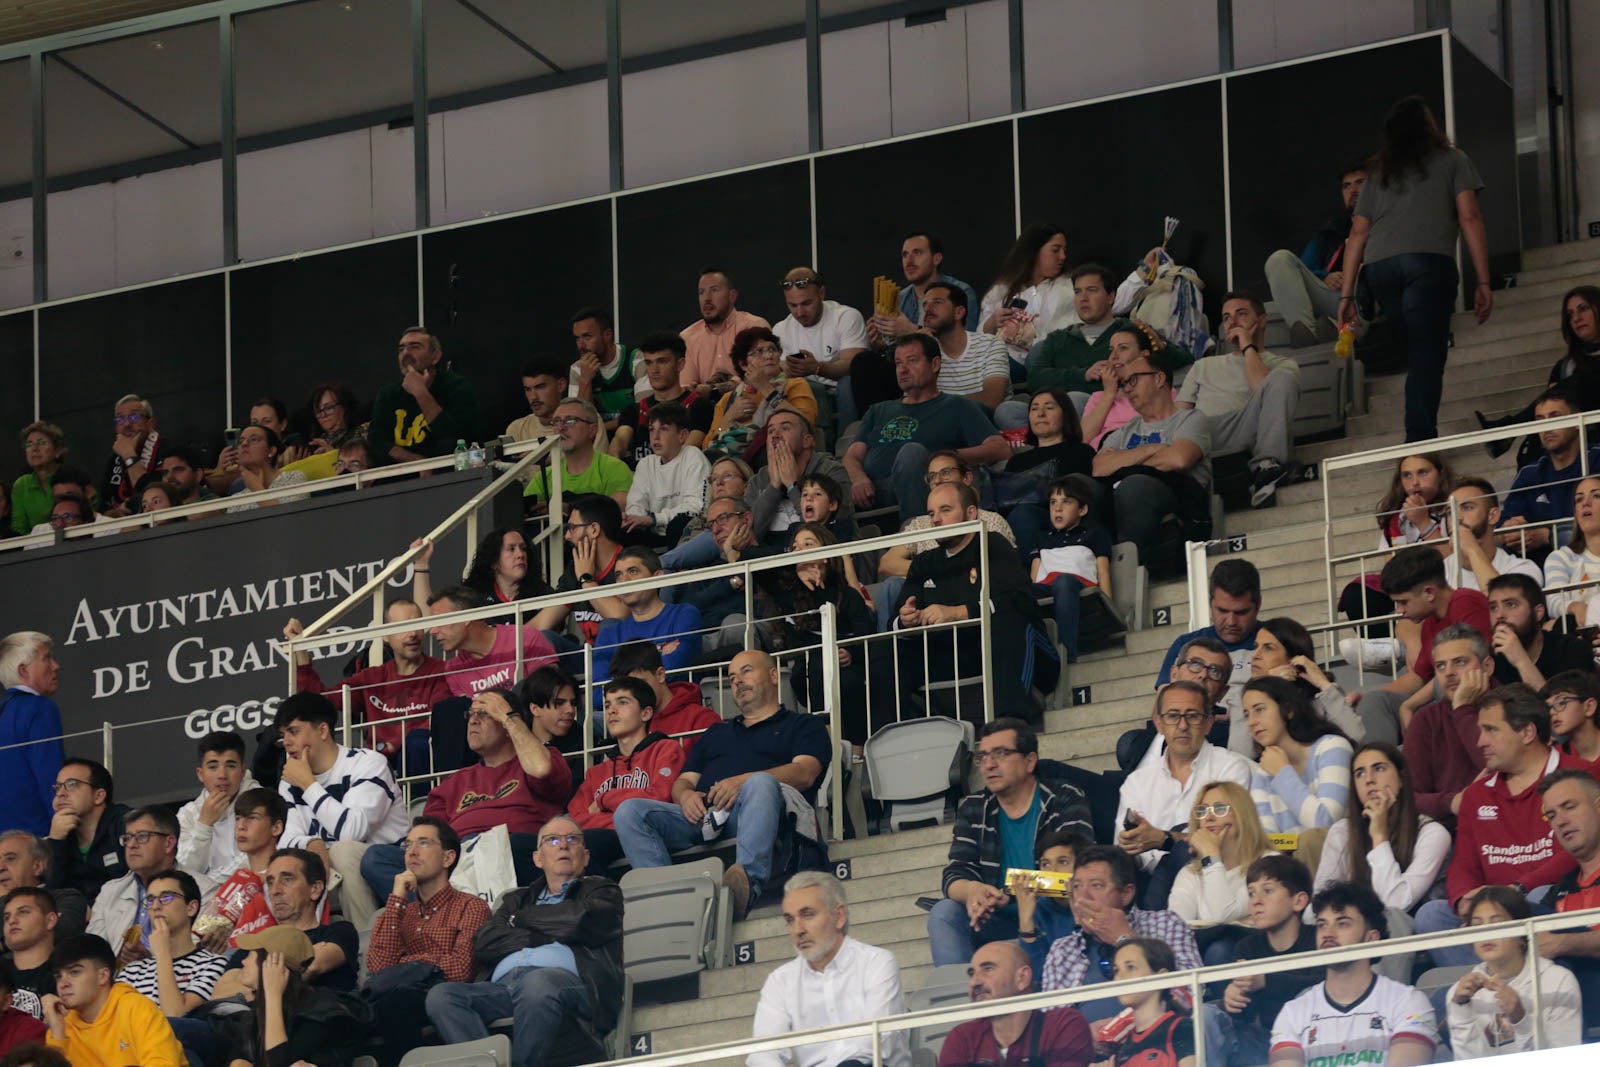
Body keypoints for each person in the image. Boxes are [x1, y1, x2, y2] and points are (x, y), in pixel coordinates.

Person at [613, 650, 830, 917]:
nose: (737, 680)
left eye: (746, 671)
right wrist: (685, 796)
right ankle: (666, 901)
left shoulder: (803, 724)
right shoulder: (717, 733)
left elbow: (805, 772)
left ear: (774, 676)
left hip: (755, 812)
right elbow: (683, 781)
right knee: (630, 811)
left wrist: (743, 782)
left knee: (760, 783)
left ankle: (744, 884)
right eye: (731, 676)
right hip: (703, 815)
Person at [1337, 95, 1493, 443]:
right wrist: (1483, 280)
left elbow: (1357, 233)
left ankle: (1417, 428)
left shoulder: (1379, 173)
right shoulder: (1453, 159)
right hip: (1427, 264)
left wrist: (1347, 294)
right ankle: (1419, 440)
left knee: (1418, 347)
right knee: (1426, 352)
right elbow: (1470, 217)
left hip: (1380, 270)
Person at [351, 687, 569, 931]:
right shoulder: (452, 784)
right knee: (376, 858)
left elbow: (541, 769)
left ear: (508, 722)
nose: (473, 720)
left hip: (515, 855)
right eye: (471, 714)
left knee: (508, 844)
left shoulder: (540, 759)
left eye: (486, 714)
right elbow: (428, 839)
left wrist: (509, 717)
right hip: (458, 863)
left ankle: (450, 919)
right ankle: (442, 920)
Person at [424, 817, 625, 1067]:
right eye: (552, 840)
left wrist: (519, 921)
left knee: (538, 982)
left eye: (572, 839)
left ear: (584, 857)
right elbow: (485, 942)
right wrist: (541, 935)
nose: (563, 845)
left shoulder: (603, 890)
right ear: (538, 858)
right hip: (504, 988)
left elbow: (581, 920)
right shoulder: (515, 899)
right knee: (442, 996)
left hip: (574, 985)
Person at [1415, 684, 1588, 966]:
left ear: (1527, 732)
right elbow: (1463, 864)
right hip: (1492, 916)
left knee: (1540, 896)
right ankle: (1488, 992)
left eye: (1491, 730)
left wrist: (1518, 889)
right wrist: (1464, 902)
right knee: (1431, 916)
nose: (1480, 741)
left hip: (1550, 903)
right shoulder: (1476, 794)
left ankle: (1529, 986)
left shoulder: (1582, 777)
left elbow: (1580, 850)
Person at [931, 718, 1093, 966]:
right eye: (982, 757)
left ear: (1029, 761)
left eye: (1001, 753)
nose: (989, 765)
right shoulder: (975, 808)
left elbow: (1080, 874)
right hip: (997, 922)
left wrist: (1010, 891)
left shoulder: (1063, 798)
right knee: (944, 913)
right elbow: (954, 875)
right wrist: (974, 890)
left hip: (1052, 916)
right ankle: (965, 1001)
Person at [892, 482, 1059, 712]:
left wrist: (958, 613)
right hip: (957, 655)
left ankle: (1009, 724)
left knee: (1007, 619)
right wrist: (905, 620)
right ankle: (887, 739)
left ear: (971, 513)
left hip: (1021, 651)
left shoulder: (993, 544)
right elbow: (897, 616)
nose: (936, 520)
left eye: (945, 510)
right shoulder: (924, 562)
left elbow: (1018, 600)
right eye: (931, 513)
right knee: (887, 650)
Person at [842, 334, 1009, 526]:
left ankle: (917, 534)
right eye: (898, 363)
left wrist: (944, 458)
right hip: (875, 492)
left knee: (912, 453)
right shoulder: (878, 410)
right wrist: (858, 478)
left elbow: (999, 448)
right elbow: (852, 456)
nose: (902, 370)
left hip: (931, 488)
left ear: (935, 364)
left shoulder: (957, 406)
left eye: (912, 361)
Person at [364, 816, 492, 1064]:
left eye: (423, 843)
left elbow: (460, 970)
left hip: (444, 998)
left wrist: (407, 963)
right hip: (395, 999)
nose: (411, 852)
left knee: (394, 1002)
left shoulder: (471, 907)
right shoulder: (395, 911)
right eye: (407, 845)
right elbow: (379, 970)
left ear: (448, 858)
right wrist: (398, 898)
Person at [748, 871, 910, 1067]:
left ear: (839, 916)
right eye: (790, 920)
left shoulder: (877, 962)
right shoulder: (780, 981)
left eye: (807, 915)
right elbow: (762, 1054)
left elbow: (875, 1045)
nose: (798, 930)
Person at [272, 693, 409, 920]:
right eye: (283, 735)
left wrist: (308, 783)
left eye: (294, 732)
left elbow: (351, 831)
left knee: (342, 851)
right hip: (330, 872)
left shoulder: (368, 763)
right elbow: (286, 840)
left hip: (388, 870)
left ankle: (365, 945)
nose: (286, 743)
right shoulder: (290, 781)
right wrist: (312, 843)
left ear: (323, 731)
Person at [1267, 882, 1437, 1067]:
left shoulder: (1408, 1002)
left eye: (1342, 924)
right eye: (1322, 925)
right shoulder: (1293, 1012)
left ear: (1371, 938)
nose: (1328, 934)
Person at [1115, 682, 1252, 908]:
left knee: (1179, 850)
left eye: (1193, 716)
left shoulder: (1230, 767)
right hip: (1148, 885)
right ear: (1159, 723)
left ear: (1208, 723)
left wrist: (1163, 839)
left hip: (1215, 878)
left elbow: (1227, 840)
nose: (1182, 725)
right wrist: (1132, 844)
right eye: (1172, 716)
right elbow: (1125, 855)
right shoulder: (1137, 782)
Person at [753, 523, 888, 751]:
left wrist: (850, 653)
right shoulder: (785, 590)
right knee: (818, 663)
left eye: (809, 544)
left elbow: (866, 634)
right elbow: (750, 556)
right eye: (795, 548)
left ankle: (856, 750)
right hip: (808, 672)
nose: (801, 550)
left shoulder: (847, 595)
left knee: (852, 678)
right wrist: (792, 566)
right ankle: (827, 743)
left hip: (847, 672)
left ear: (826, 554)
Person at [1040, 845, 1200, 1024]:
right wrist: (1083, 1037)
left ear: (1126, 894)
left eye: (1096, 885)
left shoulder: (1166, 924)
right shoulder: (1062, 950)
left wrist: (1124, 939)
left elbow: (1189, 996)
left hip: (1154, 1042)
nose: (1082, 897)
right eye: (1077, 886)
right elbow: (1052, 1026)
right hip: (1087, 1049)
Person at [285, 600, 450, 773]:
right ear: (385, 635)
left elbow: (437, 721)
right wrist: (301, 651)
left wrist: (393, 745)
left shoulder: (440, 671)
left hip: (423, 765)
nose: (413, 634)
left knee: (417, 744)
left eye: (417, 624)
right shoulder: (372, 678)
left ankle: (418, 801)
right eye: (403, 626)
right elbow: (319, 701)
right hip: (379, 767)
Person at [1091, 330, 1213, 560]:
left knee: (1135, 485)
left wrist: (1125, 461)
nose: (1127, 389)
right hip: (1125, 495)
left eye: (1133, 380)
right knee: (1081, 487)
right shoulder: (1126, 430)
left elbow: (1179, 459)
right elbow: (1099, 467)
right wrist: (1152, 449)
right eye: (1125, 383)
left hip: (1179, 500)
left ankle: (1130, 566)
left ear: (1158, 379)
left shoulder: (1190, 418)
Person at [1178, 292, 1302, 508]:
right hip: (1205, 432)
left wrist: (1247, 347)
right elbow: (1178, 416)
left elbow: (1260, 388)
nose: (1232, 322)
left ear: (1262, 320)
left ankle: (1267, 468)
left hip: (1247, 428)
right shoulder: (1203, 365)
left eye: (1241, 314)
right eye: (1226, 317)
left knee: (1283, 378)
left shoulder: (1282, 364)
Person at [1361, 544, 1492, 746]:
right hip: (1438, 706)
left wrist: (1409, 705)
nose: (1399, 611)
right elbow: (1418, 678)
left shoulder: (1465, 602)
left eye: (1403, 602)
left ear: (1429, 592)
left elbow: (1465, 669)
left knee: (1447, 679)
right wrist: (1365, 699)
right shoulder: (1430, 622)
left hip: (1477, 699)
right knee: (1374, 702)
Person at [872, 450, 1017, 628]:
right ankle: (890, 647)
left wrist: (947, 575)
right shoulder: (922, 524)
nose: (938, 480)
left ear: (967, 478)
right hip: (930, 596)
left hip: (975, 597)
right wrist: (936, 574)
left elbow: (1004, 574)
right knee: (892, 587)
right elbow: (887, 563)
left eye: (945, 472)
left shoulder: (990, 522)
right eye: (932, 476)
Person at [1203, 855, 1322, 1067]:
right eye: (1251, 893)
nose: (1255, 901)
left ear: (1299, 901)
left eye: (1267, 891)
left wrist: (1265, 981)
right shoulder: (1247, 947)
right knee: (1206, 1013)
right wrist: (1234, 998)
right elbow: (1247, 1016)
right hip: (1263, 1042)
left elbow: (1323, 987)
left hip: (1312, 1044)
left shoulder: (1318, 939)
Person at [1338, 451, 1455, 667]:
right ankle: (1390, 646)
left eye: (1423, 473)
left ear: (1440, 473)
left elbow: (1455, 562)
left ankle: (1400, 648)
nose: (1415, 482)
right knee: (1358, 593)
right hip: (1408, 587)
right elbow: (1391, 570)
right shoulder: (1395, 518)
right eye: (1407, 476)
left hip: (1444, 583)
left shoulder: (1455, 507)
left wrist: (1423, 523)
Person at [1314, 743, 1450, 914]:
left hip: (1408, 931)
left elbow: (1396, 904)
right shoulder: (1343, 831)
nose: (1369, 779)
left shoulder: (1432, 833)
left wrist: (1379, 836)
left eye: (1379, 769)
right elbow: (1320, 901)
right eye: (1360, 773)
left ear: (1401, 778)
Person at [1447, 885, 1582, 1055]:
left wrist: (1521, 1020)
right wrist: (1461, 1011)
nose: (1486, 932)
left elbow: (1566, 1060)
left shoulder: (1559, 981)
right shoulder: (1459, 994)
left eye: (1498, 923)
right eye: (1477, 925)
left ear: (1523, 933)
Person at [567, 677, 685, 871]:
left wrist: (605, 801)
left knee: (582, 845)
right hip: (601, 840)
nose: (611, 711)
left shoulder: (665, 750)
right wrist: (616, 818)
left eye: (622, 702)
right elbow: (576, 821)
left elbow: (660, 799)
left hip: (647, 835)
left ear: (646, 713)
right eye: (607, 705)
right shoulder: (596, 772)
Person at [1156, 559, 1262, 744]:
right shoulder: (1185, 643)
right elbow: (1162, 707)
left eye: (1241, 613)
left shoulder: (1274, 641)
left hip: (1255, 730)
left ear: (1258, 605)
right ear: (1210, 603)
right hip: (1194, 728)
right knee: (1131, 743)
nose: (1230, 621)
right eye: (1222, 611)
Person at [938, 940, 1092, 1067]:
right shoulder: (962, 1038)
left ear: (1022, 978)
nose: (975, 982)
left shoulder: (1063, 1025)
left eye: (988, 969)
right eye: (972, 973)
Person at [1263, 161, 1369, 346]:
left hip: (1366, 301)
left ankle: (1335, 328)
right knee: (1279, 259)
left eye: (1360, 182)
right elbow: (1304, 267)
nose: (1353, 190)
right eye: (1347, 186)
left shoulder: (1387, 226)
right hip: (1333, 299)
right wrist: (1325, 276)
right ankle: (1308, 333)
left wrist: (1362, 273)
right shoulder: (1329, 233)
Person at [232, 925, 371, 1067]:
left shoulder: (318, 1015)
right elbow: (239, 1056)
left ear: (273, 966)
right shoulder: (257, 1011)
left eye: (250, 955)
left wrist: (273, 995)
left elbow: (279, 1063)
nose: (243, 961)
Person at [38, 934, 185, 1067]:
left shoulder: (136, 1008)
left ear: (103, 975)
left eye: (74, 972)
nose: (63, 983)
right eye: (59, 976)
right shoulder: (63, 1024)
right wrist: (57, 1032)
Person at [1399, 624, 1491, 821]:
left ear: (1487, 666)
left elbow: (1495, 765)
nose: (1448, 672)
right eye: (1440, 666)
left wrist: (1462, 709)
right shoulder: (1425, 721)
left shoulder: (1512, 706)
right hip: (1448, 829)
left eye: (1459, 662)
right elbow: (1409, 796)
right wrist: (1453, 802)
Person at [1498, 385, 1600, 560]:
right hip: (1541, 572)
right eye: (1540, 420)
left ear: (1577, 422)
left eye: (1555, 417)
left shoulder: (1597, 458)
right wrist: (1513, 529)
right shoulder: (1529, 474)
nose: (1547, 427)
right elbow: (1502, 528)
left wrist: (1547, 535)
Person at [113, 869, 227, 1023]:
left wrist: (162, 954)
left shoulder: (212, 964)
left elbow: (177, 1018)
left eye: (166, 898)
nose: (156, 906)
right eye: (150, 900)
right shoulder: (133, 971)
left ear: (191, 908)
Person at [1168, 781, 1272, 947]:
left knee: (1220, 948)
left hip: (1253, 956)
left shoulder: (1268, 863)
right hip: (1200, 957)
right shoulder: (1190, 873)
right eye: (1202, 811)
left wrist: (1210, 855)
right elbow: (1176, 931)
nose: (1209, 818)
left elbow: (1221, 913)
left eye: (1220, 809)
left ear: (1242, 815)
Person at [1242, 678, 1353, 833]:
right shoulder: (1262, 773)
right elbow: (1267, 843)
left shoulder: (1332, 747)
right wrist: (1295, 845)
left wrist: (1282, 774)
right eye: (1247, 714)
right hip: (1286, 857)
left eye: (1259, 709)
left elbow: (1325, 825)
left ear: (1288, 709)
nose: (1251, 722)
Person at [589, 546, 703, 693]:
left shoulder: (684, 615)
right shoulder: (608, 635)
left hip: (676, 711)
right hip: (625, 714)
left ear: (657, 577)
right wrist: (659, 659)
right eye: (618, 575)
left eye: (633, 571)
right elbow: (597, 693)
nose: (624, 581)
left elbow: (676, 668)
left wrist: (620, 676)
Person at [1538, 769, 1600, 1026]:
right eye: (1552, 815)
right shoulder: (1557, 892)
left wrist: (1564, 943)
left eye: (1569, 807)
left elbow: (1557, 944)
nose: (1560, 821)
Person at [190, 787, 285, 951]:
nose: (241, 826)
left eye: (253, 818)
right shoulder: (233, 882)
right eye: (238, 818)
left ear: (276, 828)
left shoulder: (292, 875)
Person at [771, 267, 870, 424]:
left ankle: (846, 442)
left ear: (821, 293)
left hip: (845, 391)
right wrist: (784, 369)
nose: (799, 312)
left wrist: (817, 368)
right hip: (808, 393)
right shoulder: (780, 329)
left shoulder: (846, 317)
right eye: (792, 305)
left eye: (806, 303)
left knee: (846, 384)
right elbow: (781, 374)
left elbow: (855, 366)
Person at [84, 807, 182, 964]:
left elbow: (198, 951)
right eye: (127, 838)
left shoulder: (203, 888)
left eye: (142, 836)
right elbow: (93, 953)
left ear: (169, 843)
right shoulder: (110, 891)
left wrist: (149, 959)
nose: (131, 845)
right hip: (119, 983)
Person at [368, 326, 481, 462]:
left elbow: (455, 438)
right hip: (402, 476)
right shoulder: (388, 394)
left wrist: (420, 393)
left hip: (449, 472)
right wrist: (415, 461)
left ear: (435, 357)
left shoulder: (456, 386)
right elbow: (376, 440)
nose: (406, 353)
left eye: (415, 347)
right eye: (401, 349)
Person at [745, 407, 853, 547]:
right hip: (771, 562)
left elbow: (830, 532)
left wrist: (793, 486)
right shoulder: (758, 481)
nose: (775, 435)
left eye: (785, 428)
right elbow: (749, 536)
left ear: (806, 440)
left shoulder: (831, 472)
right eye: (770, 431)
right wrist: (773, 487)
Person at [706, 327, 817, 461]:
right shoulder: (728, 400)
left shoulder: (795, 385)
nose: (769, 355)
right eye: (759, 351)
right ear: (743, 364)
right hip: (730, 463)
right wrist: (728, 418)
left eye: (772, 349)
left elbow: (805, 424)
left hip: (778, 455)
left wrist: (766, 388)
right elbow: (708, 445)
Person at [427, 586, 559, 696]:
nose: (432, 631)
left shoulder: (525, 637)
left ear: (465, 617)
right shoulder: (453, 669)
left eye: (440, 621)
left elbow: (550, 694)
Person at [978, 223, 1073, 376]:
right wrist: (992, 322)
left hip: (1052, 361)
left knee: (1039, 353)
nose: (1062, 256)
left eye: (1064, 251)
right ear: (1034, 251)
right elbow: (977, 341)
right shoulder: (1001, 291)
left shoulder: (1069, 288)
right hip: (1008, 360)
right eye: (1056, 250)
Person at [1246, 617, 1360, 738]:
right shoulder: (1247, 696)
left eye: (1268, 648)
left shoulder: (1321, 699)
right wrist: (1266, 687)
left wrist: (1324, 684)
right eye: (1256, 646)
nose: (1255, 655)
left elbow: (1356, 736)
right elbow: (1242, 750)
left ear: (1294, 659)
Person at [609, 332, 713, 464]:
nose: (654, 370)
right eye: (649, 363)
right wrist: (615, 467)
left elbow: (688, 451)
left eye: (662, 361)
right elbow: (619, 442)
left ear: (680, 364)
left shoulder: (700, 406)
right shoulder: (633, 411)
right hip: (638, 480)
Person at [174, 732, 258, 889]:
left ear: (242, 771)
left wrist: (210, 883)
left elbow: (257, 857)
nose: (222, 775)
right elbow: (183, 873)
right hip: (205, 902)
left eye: (231, 766)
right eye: (213, 767)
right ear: (201, 774)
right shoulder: (187, 814)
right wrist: (204, 825)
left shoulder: (260, 801)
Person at [0, 633, 64, 838]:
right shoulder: (39, 708)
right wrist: (62, 834)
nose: (56, 666)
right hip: (38, 838)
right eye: (46, 658)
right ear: (23, 670)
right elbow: (50, 776)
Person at [522, 398, 634, 512]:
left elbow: (616, 510)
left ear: (592, 429)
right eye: (556, 421)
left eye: (570, 420)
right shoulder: (543, 477)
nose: (561, 428)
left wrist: (568, 508)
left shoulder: (614, 468)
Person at [604, 640, 720, 748]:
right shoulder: (627, 724)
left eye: (639, 684)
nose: (634, 694)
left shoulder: (702, 719)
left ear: (660, 675)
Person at [1098, 938, 1194, 1067]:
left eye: (1130, 967)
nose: (1119, 977)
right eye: (1116, 970)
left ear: (1161, 976)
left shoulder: (1181, 1028)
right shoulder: (1124, 1048)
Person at [623, 403, 711, 544]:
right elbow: (635, 504)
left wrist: (654, 519)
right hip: (654, 532)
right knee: (624, 530)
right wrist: (634, 518)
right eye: (652, 430)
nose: (655, 437)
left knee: (680, 523)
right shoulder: (645, 464)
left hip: (688, 532)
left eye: (664, 429)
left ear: (682, 435)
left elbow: (696, 508)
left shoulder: (693, 456)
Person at [1488, 573, 1592, 689]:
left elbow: (1557, 707)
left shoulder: (1572, 651)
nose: (1499, 615)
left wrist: (1521, 661)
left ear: (1538, 613)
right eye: (1493, 608)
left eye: (1511, 605)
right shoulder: (1491, 662)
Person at [44, 758, 127, 903]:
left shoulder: (126, 823)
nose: (60, 793)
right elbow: (54, 895)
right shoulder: (60, 835)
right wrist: (56, 841)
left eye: (71, 784)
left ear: (98, 796)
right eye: (58, 787)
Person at [923, 283, 1012, 415]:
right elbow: (916, 404)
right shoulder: (925, 353)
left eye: (937, 302)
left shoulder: (990, 344)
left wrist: (936, 406)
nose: (928, 309)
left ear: (959, 312)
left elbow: (991, 400)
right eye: (924, 304)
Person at [1441, 481, 1544, 595]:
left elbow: (1502, 606)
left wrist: (1472, 550)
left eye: (1468, 508)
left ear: (1493, 516)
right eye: (1450, 512)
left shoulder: (1522, 569)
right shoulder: (1437, 574)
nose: (1457, 518)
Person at [1011, 830, 1089, 975]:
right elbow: (1035, 978)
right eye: (1045, 864)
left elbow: (1086, 969)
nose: (1052, 871)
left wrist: (1080, 920)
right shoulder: (1037, 908)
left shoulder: (1096, 901)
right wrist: (1026, 921)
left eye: (1063, 862)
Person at [681, 268, 771, 393]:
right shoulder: (687, 337)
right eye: (701, 292)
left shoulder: (754, 327)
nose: (706, 298)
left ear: (732, 296)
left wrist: (715, 389)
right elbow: (687, 389)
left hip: (750, 402)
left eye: (714, 290)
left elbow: (763, 377)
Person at [568, 307, 640, 430]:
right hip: (598, 445)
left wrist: (599, 429)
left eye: (587, 337)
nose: (581, 345)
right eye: (577, 338)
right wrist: (585, 380)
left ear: (607, 335)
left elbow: (645, 414)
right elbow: (577, 424)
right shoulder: (577, 369)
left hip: (634, 440)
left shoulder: (636, 359)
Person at [0, 838, 86, 940]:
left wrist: (4, 900)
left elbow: (60, 931)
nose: (1, 867)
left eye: (10, 858)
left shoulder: (65, 898)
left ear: (38, 866)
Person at [1542, 475, 1600, 624]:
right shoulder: (1561, 558)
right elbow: (1553, 602)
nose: (1585, 503)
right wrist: (1575, 607)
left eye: (1596, 496)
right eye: (1579, 499)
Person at [4, 887, 68, 1015]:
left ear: (50, 921)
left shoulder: (68, 974)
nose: (12, 921)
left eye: (23, 912)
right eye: (6, 917)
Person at [98, 394, 164, 517]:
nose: (127, 424)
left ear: (150, 423)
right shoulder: (114, 460)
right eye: (120, 419)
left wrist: (129, 456)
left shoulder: (167, 449)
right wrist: (113, 513)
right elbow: (103, 506)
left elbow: (156, 495)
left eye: (134, 417)